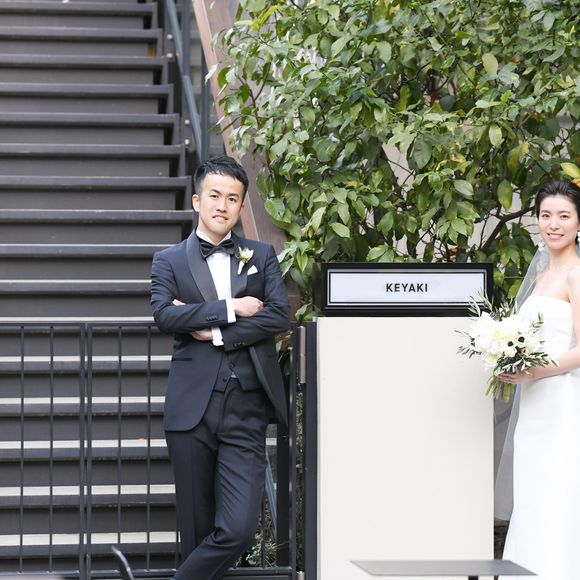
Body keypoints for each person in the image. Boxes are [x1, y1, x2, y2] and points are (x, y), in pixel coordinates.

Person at [150, 155, 290, 579]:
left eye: (232, 198)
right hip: (192, 410)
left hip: (246, 407)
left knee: (238, 529)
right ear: (197, 200)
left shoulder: (261, 255)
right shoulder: (169, 260)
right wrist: (232, 307)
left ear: (241, 206)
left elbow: (278, 315)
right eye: (214, 195)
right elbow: (165, 315)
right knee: (195, 531)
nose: (222, 205)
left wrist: (214, 331)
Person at [497, 180, 580, 580]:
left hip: (561, 402)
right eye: (546, 215)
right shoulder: (542, 276)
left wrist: (535, 370)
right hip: (533, 404)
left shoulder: (576, 275)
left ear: (578, 223)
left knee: (557, 492)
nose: (553, 224)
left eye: (564, 216)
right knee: (533, 494)